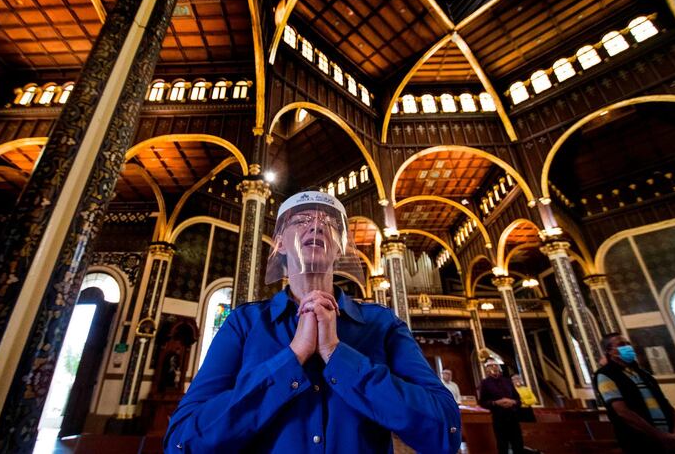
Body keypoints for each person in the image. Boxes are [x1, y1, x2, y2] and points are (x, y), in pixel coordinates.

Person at [165, 191, 461, 453]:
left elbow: (444, 431)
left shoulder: (382, 325)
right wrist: (293, 357)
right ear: (279, 243)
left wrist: (337, 354)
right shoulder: (244, 324)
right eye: (301, 220)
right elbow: (183, 441)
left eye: (331, 223)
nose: (317, 225)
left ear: (341, 247)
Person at [593, 333, 675, 453]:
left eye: (628, 344)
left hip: (669, 437)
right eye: (621, 345)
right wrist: (659, 435)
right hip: (640, 441)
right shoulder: (606, 374)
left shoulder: (644, 374)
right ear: (610, 351)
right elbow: (622, 412)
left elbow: (665, 403)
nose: (627, 347)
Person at [478, 358, 524, 454]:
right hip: (499, 417)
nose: (494, 368)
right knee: (502, 445)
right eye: (491, 366)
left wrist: (512, 402)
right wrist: (496, 402)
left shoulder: (507, 381)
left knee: (518, 444)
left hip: (513, 416)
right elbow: (482, 402)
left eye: (496, 366)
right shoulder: (485, 383)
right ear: (487, 369)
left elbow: (518, 399)